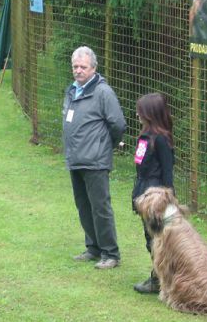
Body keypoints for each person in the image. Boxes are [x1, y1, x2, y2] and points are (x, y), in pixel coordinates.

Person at [62, 46, 127, 269]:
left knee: (100, 207)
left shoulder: (103, 92)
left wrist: (103, 145)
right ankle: (93, 248)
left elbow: (118, 123)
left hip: (95, 161)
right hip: (75, 158)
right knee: (83, 206)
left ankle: (111, 253)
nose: (78, 71)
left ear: (94, 68)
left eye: (83, 67)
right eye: (75, 66)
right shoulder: (72, 90)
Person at [131, 93, 175, 294]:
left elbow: (167, 171)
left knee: (157, 239)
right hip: (143, 191)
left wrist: (168, 198)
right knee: (149, 238)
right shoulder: (145, 137)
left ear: (150, 113)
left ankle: (161, 279)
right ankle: (159, 277)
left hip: (156, 195)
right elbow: (140, 166)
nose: (137, 113)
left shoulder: (161, 140)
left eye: (141, 110)